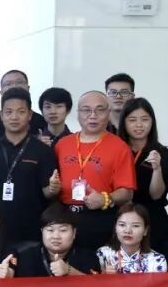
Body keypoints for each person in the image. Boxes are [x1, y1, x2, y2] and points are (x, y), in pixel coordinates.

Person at [0, 88, 60, 244]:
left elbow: (47, 193)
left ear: (29, 115)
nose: (14, 117)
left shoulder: (43, 151)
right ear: (1, 115)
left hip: (30, 229)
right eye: (9, 112)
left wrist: (53, 189)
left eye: (21, 112)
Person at [54, 90, 136, 251]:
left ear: (108, 113)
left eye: (100, 110)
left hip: (100, 218)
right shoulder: (62, 144)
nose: (93, 115)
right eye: (86, 110)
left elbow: (127, 192)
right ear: (78, 113)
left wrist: (105, 198)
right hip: (64, 217)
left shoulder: (120, 147)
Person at [117, 97, 168, 254]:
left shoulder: (163, 153)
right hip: (121, 218)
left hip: (152, 219)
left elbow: (156, 195)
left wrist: (157, 169)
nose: (139, 125)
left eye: (145, 119)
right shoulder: (115, 150)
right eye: (132, 120)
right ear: (124, 123)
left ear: (152, 122)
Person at [0, 203, 101, 279]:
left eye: (63, 230)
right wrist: (8, 275)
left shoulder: (88, 257)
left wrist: (69, 271)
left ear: (74, 233)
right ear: (42, 231)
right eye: (50, 230)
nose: (56, 236)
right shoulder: (25, 256)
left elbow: (97, 286)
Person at [97, 204, 167, 274]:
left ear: (145, 230)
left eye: (135, 226)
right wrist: (104, 276)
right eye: (122, 225)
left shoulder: (157, 260)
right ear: (115, 227)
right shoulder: (102, 254)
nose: (128, 231)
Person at [0, 69, 47, 142]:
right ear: (1, 92)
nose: (14, 86)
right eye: (8, 84)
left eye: (19, 82)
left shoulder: (42, 121)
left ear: (28, 88)